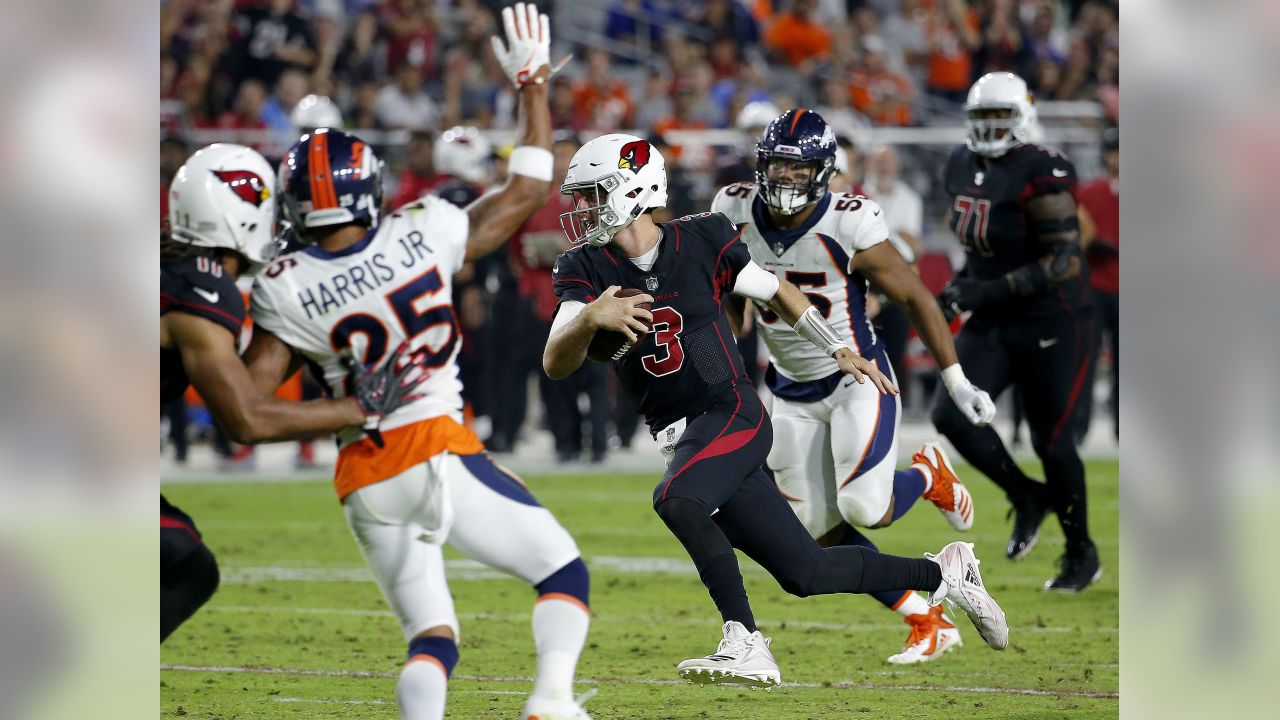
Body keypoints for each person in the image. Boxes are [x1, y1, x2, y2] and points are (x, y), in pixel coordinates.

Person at [545, 133, 1008, 688]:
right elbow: (556, 361)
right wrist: (590, 318)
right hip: (682, 435)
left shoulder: (702, 236)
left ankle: (744, 640)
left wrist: (836, 348)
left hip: (729, 410)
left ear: (633, 188)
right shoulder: (582, 266)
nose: (581, 208)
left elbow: (776, 290)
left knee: (676, 499)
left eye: (593, 194)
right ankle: (945, 572)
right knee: (804, 571)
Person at [241, 8, 593, 720]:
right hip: (437, 446)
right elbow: (526, 190)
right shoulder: (421, 230)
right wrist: (529, 86)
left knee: (431, 638)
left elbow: (247, 411)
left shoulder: (284, 282)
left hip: (364, 474)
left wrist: (349, 407)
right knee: (563, 572)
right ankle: (551, 700)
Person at [711, 109, 997, 664]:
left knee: (865, 508)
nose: (785, 181)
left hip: (855, 377)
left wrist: (955, 378)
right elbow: (731, 299)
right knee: (814, 535)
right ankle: (927, 619)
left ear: (823, 173)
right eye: (777, 167)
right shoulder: (734, 208)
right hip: (788, 386)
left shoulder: (850, 220)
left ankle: (927, 475)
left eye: (799, 172)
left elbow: (915, 296)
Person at [161, 143, 423, 642]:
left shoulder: (169, 264)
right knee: (185, 565)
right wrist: (359, 406)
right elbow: (246, 420)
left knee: (179, 557)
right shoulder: (200, 284)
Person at [933, 72, 1099, 591]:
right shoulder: (959, 163)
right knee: (951, 414)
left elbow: (1064, 260)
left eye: (999, 116)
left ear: (1022, 115)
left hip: (1054, 320)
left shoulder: (1041, 169)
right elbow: (981, 248)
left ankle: (1081, 552)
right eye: (981, 116)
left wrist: (978, 293)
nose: (989, 127)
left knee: (1053, 441)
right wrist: (964, 286)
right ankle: (1026, 495)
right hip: (996, 317)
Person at [1075, 128, 1119, 441]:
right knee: (1084, 361)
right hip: (1095, 286)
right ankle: (1079, 428)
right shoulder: (1089, 192)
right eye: (1113, 150)